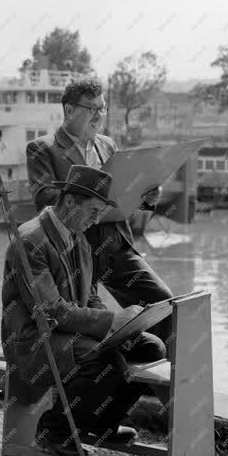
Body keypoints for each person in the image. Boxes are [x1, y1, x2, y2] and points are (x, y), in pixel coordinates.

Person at [1, 165, 166, 456]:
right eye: (93, 211)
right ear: (68, 202)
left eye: (101, 212)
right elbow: (51, 312)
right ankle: (54, 431)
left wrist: (119, 327)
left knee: (151, 348)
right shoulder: (30, 241)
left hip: (70, 333)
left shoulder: (79, 238)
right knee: (108, 362)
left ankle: (103, 424)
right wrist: (111, 321)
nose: (97, 219)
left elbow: (89, 296)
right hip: (34, 341)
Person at [26, 78, 172, 344]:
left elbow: (121, 196)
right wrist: (88, 197)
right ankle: (112, 375)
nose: (99, 115)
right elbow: (43, 199)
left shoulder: (108, 145)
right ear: (70, 111)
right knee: (92, 330)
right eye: (92, 109)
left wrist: (146, 198)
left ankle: (162, 377)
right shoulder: (42, 148)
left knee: (164, 305)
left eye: (102, 109)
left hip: (117, 245)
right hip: (76, 251)